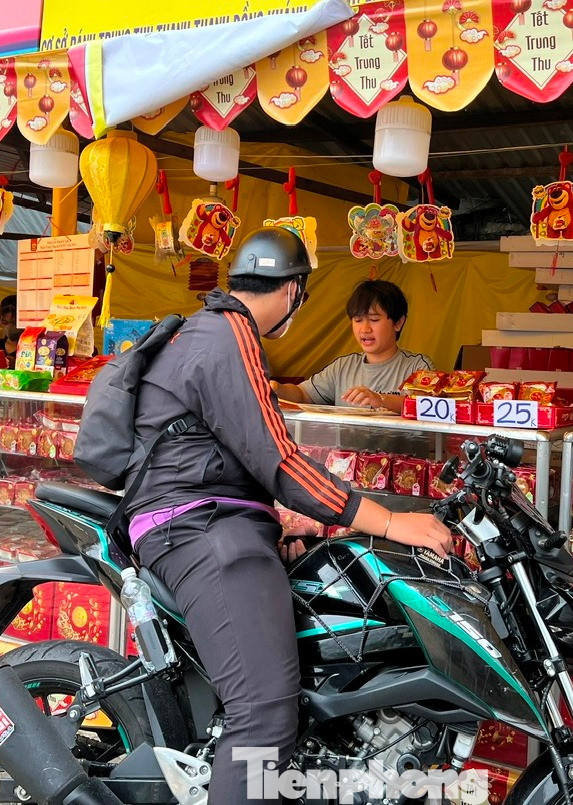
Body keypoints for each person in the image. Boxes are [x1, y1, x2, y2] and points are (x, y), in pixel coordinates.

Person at [126, 227, 452, 805]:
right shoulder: (232, 336)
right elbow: (280, 461)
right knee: (265, 716)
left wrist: (281, 525)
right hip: (198, 527)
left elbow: (239, 452)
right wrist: (389, 520)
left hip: (209, 518)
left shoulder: (211, 328)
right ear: (294, 290)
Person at [273, 279, 433, 413]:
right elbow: (302, 394)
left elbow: (427, 407)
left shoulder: (418, 368)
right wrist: (276, 389)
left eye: (374, 320)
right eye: (357, 320)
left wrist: (380, 399)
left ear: (398, 323)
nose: (365, 329)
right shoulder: (342, 367)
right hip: (346, 452)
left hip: (403, 452)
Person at [0, 294, 23, 368]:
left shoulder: (34, 349)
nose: (9, 327)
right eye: (5, 322)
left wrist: (17, 365)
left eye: (14, 323)